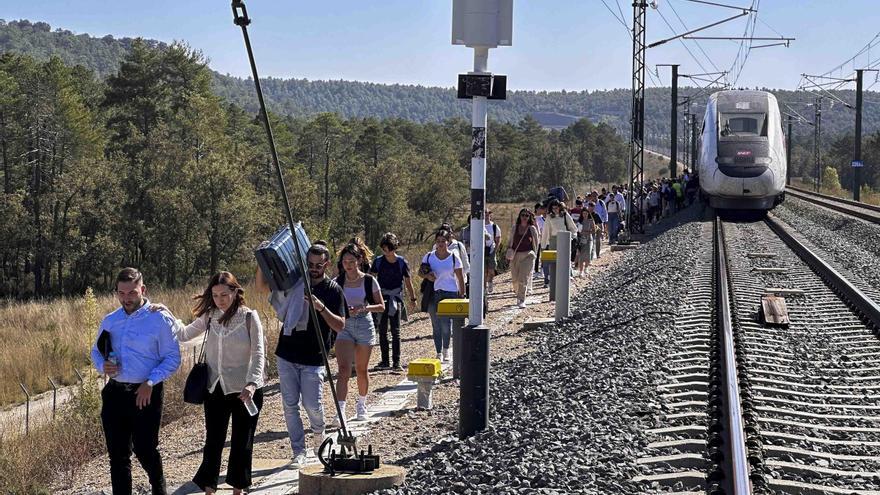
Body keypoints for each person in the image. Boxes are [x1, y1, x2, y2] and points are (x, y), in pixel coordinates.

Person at [90, 268, 181, 495]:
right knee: (118, 455)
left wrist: (150, 382)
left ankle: (159, 490)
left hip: (146, 392)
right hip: (114, 393)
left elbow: (173, 357)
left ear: (143, 289)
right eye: (121, 293)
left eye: (132, 292)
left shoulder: (158, 318)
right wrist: (103, 366)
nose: (126, 298)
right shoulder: (110, 320)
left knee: (145, 449)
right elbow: (95, 351)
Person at [256, 243, 346, 467]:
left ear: (326, 264)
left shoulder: (333, 290)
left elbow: (341, 326)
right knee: (289, 405)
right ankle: (298, 451)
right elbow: (262, 287)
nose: (314, 269)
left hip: (314, 357)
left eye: (318, 265)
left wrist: (321, 308)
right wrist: (262, 261)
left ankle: (319, 435)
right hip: (287, 352)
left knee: (312, 405)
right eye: (310, 264)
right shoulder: (296, 282)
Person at [176, 272, 265, 494]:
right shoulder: (209, 316)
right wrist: (164, 313)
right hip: (215, 388)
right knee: (213, 440)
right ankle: (209, 488)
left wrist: (252, 383)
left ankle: (239, 488)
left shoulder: (249, 317)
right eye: (215, 295)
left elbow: (259, 353)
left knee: (241, 442)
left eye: (224, 294)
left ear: (235, 292)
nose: (220, 300)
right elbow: (184, 334)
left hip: (246, 390)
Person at [334, 239, 385, 422]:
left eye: (351, 262)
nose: (348, 265)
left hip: (364, 324)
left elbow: (381, 306)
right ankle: (340, 411)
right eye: (345, 262)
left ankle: (361, 405)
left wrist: (364, 308)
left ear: (359, 261)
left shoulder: (369, 281)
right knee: (343, 369)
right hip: (344, 325)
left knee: (362, 369)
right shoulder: (337, 281)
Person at [370, 233, 417, 371]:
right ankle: (385, 361)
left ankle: (396, 362)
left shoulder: (402, 262)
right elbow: (371, 280)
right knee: (383, 331)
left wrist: (413, 298)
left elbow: (408, 282)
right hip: (381, 299)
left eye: (388, 248)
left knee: (396, 331)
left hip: (396, 299)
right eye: (384, 248)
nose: (386, 251)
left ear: (394, 247)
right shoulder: (378, 261)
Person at [422, 229, 465, 361]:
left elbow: (460, 277)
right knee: (436, 324)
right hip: (433, 293)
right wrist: (428, 276)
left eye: (443, 241)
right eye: (438, 241)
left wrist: (462, 295)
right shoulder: (429, 256)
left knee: (446, 324)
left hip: (450, 293)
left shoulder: (453, 257)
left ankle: (446, 349)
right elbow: (420, 272)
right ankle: (438, 352)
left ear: (448, 242)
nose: (440, 244)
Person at [507, 208, 539, 308]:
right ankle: (518, 294)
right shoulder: (514, 228)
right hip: (515, 255)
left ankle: (521, 299)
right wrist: (508, 252)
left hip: (528, 255)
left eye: (526, 215)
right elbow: (510, 241)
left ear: (529, 217)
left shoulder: (532, 229)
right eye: (522, 215)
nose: (524, 217)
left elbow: (536, 242)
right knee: (515, 279)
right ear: (519, 216)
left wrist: (535, 254)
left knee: (523, 278)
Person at [576, 204, 599, 276]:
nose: (585, 215)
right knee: (581, 255)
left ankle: (586, 268)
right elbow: (579, 231)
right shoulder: (580, 222)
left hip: (589, 239)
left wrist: (586, 232)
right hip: (582, 240)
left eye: (586, 213)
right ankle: (581, 270)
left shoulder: (591, 221)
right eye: (583, 213)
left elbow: (594, 230)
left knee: (588, 255)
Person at [484, 210, 501, 294]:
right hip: (482, 250)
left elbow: (498, 239)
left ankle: (490, 282)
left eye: (488, 214)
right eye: (485, 214)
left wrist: (495, 250)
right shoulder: (480, 226)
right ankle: (484, 287)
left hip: (491, 250)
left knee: (491, 269)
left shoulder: (494, 226)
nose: (487, 216)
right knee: (484, 270)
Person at [591, 191, 607, 258]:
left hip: (599, 223)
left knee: (598, 239)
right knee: (591, 239)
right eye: (593, 195)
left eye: (595, 195)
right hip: (591, 223)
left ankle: (597, 254)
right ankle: (591, 254)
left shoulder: (601, 203)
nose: (594, 197)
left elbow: (605, 212)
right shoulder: (590, 203)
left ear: (597, 195)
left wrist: (605, 222)